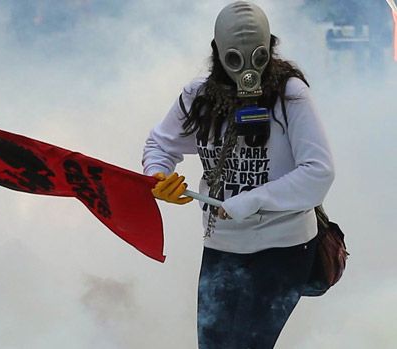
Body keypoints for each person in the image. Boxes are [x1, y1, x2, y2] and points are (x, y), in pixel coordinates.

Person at [142, 1, 335, 348]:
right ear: (218, 54)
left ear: (270, 48)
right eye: (235, 59)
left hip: (284, 247)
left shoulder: (290, 95)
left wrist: (253, 200)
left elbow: (319, 173)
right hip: (223, 246)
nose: (247, 70)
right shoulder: (198, 96)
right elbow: (160, 144)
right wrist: (158, 177)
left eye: (257, 57)